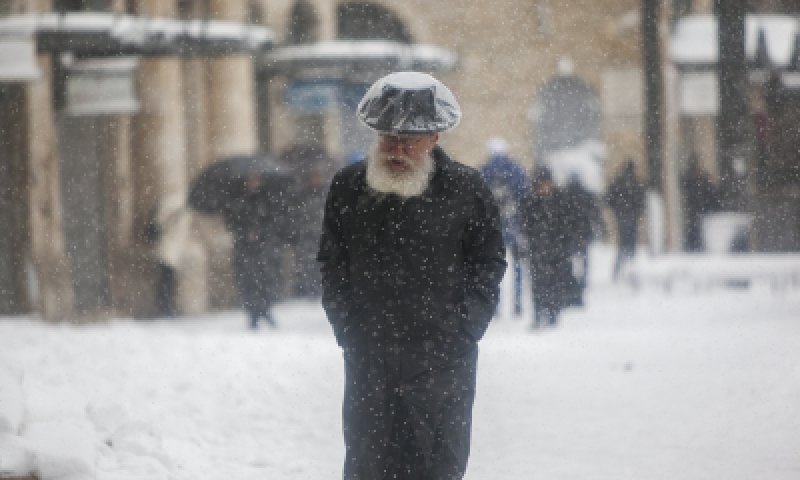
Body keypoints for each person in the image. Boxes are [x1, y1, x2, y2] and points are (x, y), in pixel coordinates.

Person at [317, 71, 506, 480]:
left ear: (434, 139)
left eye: (409, 140)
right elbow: (332, 264)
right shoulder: (348, 188)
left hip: (442, 361)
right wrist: (349, 328)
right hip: (371, 357)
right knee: (369, 464)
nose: (397, 149)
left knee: (437, 464)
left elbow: (489, 262)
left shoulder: (466, 189)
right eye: (388, 138)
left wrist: (465, 326)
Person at [222, 173, 293, 330]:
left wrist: (262, 232)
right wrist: (245, 231)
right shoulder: (237, 200)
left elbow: (276, 219)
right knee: (248, 279)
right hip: (245, 247)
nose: (254, 182)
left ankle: (265, 309)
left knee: (266, 278)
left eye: (257, 179)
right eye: (251, 179)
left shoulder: (268, 198)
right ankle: (253, 312)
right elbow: (231, 221)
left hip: (265, 247)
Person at [480, 136, 530, 316]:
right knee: (518, 266)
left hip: (492, 227)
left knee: (494, 268)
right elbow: (526, 195)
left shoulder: (484, 170)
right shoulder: (515, 169)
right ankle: (517, 304)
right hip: (514, 223)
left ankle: (495, 306)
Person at [280, 143, 337, 298]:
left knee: (322, 264)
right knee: (306, 264)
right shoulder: (300, 195)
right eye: (314, 176)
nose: (316, 179)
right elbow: (294, 215)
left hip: (323, 236)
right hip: (306, 236)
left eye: (319, 176)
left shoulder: (329, 193)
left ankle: (319, 288)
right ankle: (309, 289)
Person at [521, 167, 574, 328]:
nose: (544, 188)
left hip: (556, 251)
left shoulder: (560, 201)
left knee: (554, 283)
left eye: (546, 184)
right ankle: (538, 314)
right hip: (537, 250)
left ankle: (553, 313)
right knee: (537, 284)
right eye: (541, 185)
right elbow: (525, 226)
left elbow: (567, 226)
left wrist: (565, 246)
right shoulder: (530, 202)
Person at [561, 175, 598, 307]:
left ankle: (573, 287)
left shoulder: (565, 197)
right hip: (582, 233)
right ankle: (579, 286)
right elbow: (592, 214)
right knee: (582, 262)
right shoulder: (585, 196)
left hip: (571, 234)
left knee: (570, 262)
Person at [606, 159, 646, 281]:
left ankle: (618, 272)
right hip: (631, 216)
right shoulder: (635, 182)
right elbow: (641, 201)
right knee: (630, 245)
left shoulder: (619, 181)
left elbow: (609, 198)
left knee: (622, 245)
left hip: (622, 216)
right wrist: (637, 211)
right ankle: (629, 271)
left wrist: (617, 210)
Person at [681, 159, 719, 252]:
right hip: (695, 208)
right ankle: (693, 245)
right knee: (694, 227)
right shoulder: (695, 181)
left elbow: (711, 193)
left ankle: (695, 245)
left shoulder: (701, 181)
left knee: (697, 228)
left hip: (699, 208)